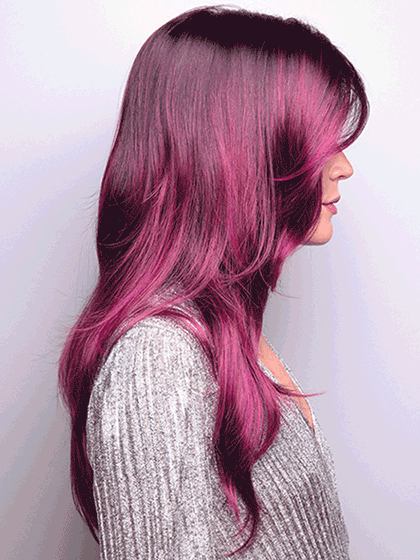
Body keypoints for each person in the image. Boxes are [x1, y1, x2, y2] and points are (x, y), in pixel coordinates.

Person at [58, 6, 369, 559]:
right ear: (244, 152)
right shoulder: (158, 357)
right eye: (320, 143)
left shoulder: (223, 330)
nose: (344, 166)